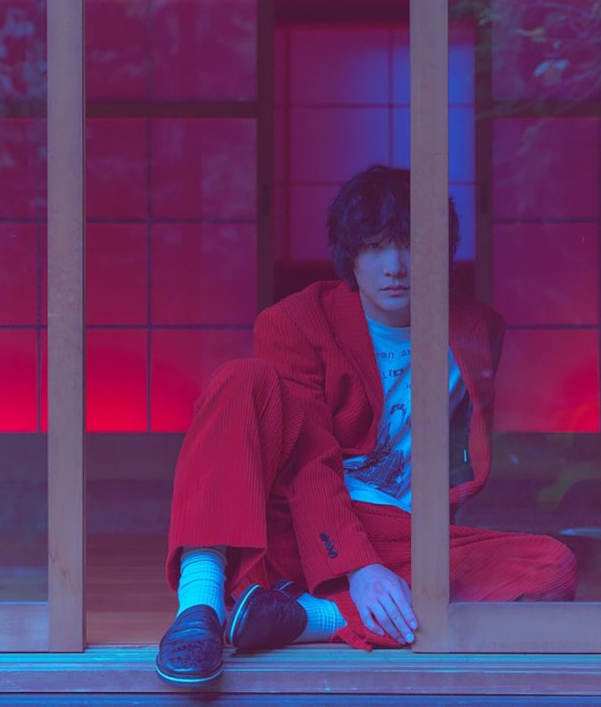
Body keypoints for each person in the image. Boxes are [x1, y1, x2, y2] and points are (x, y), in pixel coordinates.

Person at [156, 165, 577, 687]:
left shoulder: (476, 330)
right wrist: (359, 568)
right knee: (241, 380)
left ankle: (305, 617)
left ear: (441, 253)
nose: (394, 266)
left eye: (410, 245)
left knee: (549, 565)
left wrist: (394, 556)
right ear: (350, 255)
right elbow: (309, 462)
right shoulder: (297, 322)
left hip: (399, 533)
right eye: (375, 247)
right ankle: (200, 605)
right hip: (307, 520)